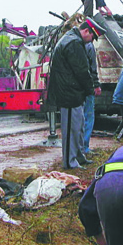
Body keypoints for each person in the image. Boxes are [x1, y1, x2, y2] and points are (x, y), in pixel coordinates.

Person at [47, 17, 106, 169]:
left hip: (73, 93)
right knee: (71, 130)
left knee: (78, 127)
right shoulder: (74, 43)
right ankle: (69, 162)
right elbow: (81, 71)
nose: (91, 41)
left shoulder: (73, 39)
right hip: (69, 94)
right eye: (92, 37)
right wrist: (90, 89)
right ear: (86, 31)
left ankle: (79, 157)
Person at [83, 41, 101, 154]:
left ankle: (78, 147)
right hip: (88, 87)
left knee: (78, 118)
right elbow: (92, 68)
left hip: (77, 88)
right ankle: (84, 147)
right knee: (88, 116)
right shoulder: (89, 46)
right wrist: (96, 84)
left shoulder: (74, 43)